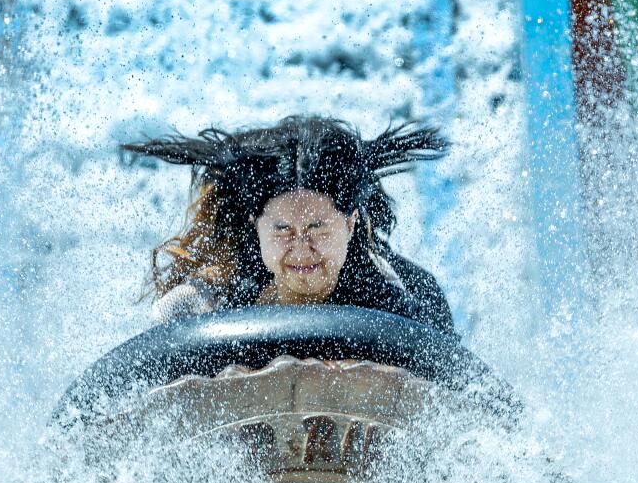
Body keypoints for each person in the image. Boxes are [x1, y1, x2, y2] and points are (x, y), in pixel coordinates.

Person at [121, 115, 457, 337]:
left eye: (317, 229)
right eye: (282, 230)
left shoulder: (400, 303)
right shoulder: (223, 290)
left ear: (350, 223)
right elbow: (169, 321)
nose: (300, 248)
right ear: (256, 227)